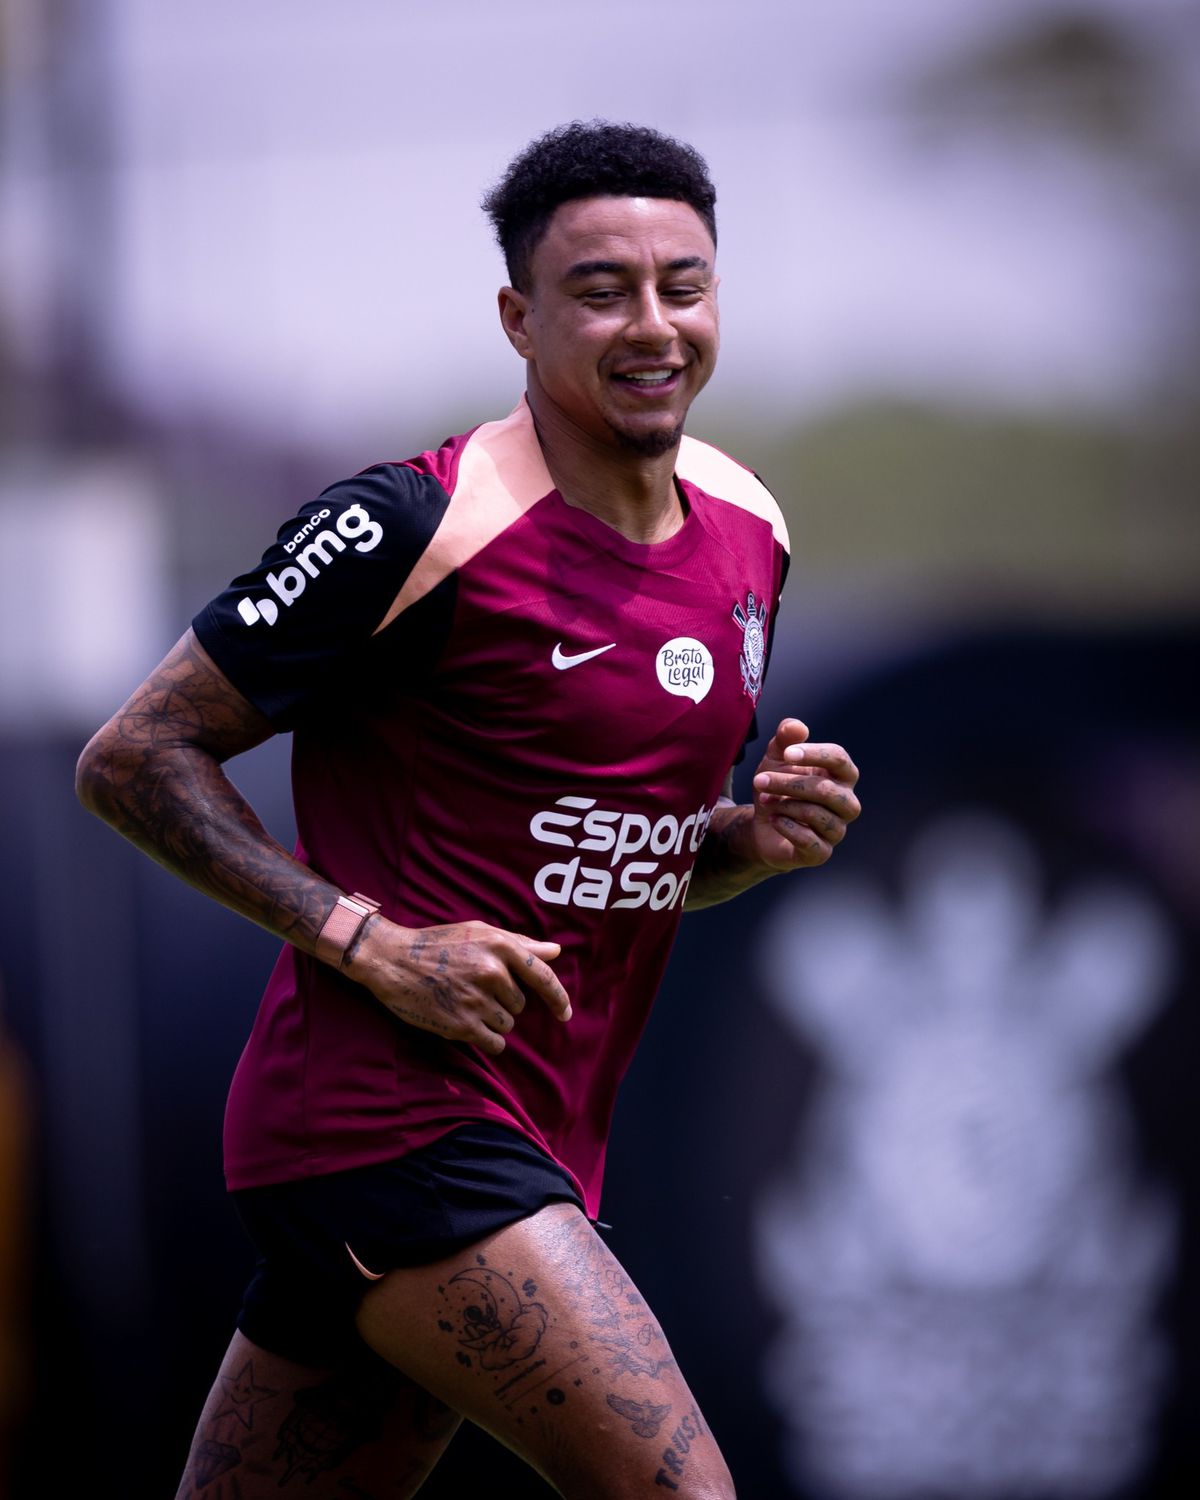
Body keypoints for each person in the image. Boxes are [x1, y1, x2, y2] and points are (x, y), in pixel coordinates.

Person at [76, 120, 860, 1499]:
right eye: (601, 290)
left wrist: (750, 840)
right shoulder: (414, 525)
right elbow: (134, 758)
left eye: (683, 285)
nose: (652, 324)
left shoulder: (751, 529)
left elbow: (633, 853)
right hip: (390, 1126)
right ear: (519, 318)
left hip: (536, 1125)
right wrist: (373, 944)